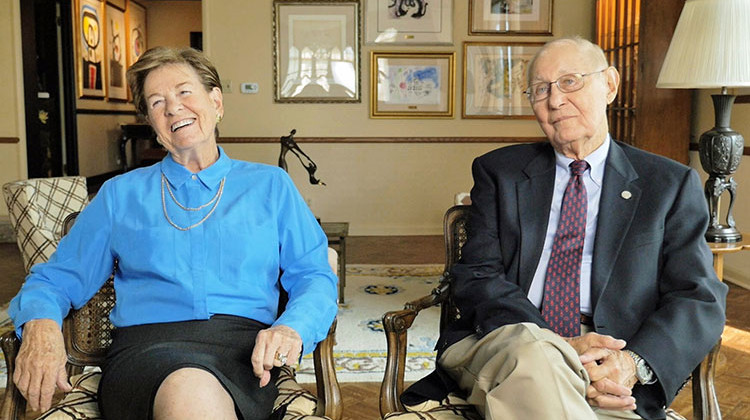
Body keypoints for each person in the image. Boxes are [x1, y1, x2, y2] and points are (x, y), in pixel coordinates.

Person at [402, 37, 728, 420]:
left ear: (609, 85)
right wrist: (559, 346)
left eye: (570, 82)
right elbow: (477, 275)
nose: (554, 101)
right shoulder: (500, 172)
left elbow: (698, 296)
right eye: (540, 90)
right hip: (504, 339)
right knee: (534, 353)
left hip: (607, 364)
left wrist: (631, 363)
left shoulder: (669, 185)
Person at [9, 46, 338, 420]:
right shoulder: (121, 195)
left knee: (194, 391)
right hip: (146, 352)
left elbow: (314, 275)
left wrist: (292, 328)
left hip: (243, 354)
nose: (172, 107)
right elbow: (55, 278)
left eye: (184, 92)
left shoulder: (271, 186)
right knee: (189, 388)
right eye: (156, 101)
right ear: (151, 121)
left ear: (216, 102)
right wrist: (40, 324)